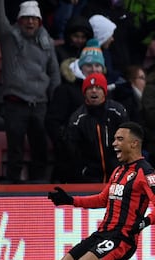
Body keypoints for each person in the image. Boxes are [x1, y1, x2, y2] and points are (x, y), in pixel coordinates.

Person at [47, 121, 155, 260]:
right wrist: (71, 200)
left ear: (134, 143)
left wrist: (145, 222)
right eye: (114, 139)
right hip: (101, 234)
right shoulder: (118, 170)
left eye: (119, 139)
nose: (114, 143)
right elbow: (102, 199)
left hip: (121, 238)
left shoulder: (145, 172)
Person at [0, 0, 61, 183]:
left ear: (39, 22)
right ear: (19, 21)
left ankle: (39, 190)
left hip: (40, 104)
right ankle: (12, 190)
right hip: (15, 103)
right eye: (26, 18)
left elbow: (54, 72)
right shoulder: (8, 37)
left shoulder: (47, 42)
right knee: (15, 151)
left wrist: (55, 101)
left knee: (41, 150)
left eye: (34, 19)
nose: (30, 22)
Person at [45, 38, 105, 183]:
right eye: (89, 65)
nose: (94, 69)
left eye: (98, 65)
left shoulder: (109, 92)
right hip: (72, 167)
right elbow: (52, 122)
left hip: (102, 166)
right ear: (80, 67)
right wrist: (68, 148)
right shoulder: (65, 90)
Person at [66, 72, 129, 183]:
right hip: (89, 177)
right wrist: (82, 171)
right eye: (90, 88)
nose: (94, 91)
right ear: (84, 93)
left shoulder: (118, 112)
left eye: (98, 87)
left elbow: (128, 142)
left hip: (118, 174)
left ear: (104, 92)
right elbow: (73, 152)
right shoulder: (77, 119)